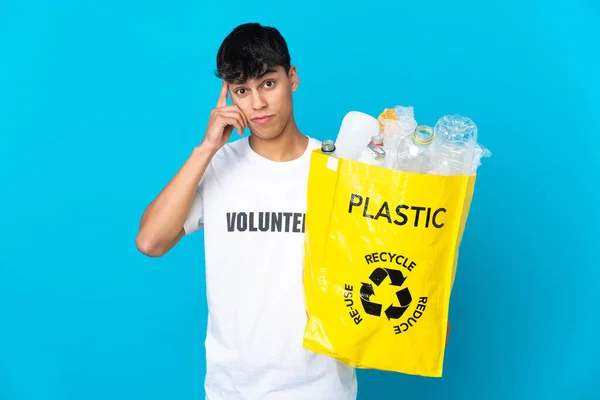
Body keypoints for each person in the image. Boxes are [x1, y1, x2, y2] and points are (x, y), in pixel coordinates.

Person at [135, 22, 358, 399]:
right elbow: (150, 241)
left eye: (268, 84)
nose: (257, 104)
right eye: (242, 91)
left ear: (292, 78)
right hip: (233, 389)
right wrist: (206, 149)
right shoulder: (218, 166)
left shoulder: (339, 169)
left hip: (322, 388)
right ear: (230, 97)